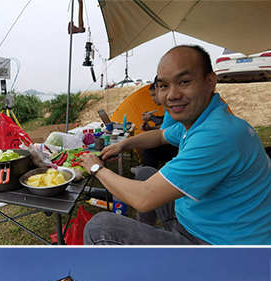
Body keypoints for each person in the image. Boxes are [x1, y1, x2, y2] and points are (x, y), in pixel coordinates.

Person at [79, 45, 271, 245]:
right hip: (198, 221)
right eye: (163, 86)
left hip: (219, 244)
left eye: (184, 82)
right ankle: (148, 238)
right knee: (145, 173)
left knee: (100, 228)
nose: (171, 95)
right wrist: (123, 144)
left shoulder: (217, 135)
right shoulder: (205, 120)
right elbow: (161, 136)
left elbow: (143, 199)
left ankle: (150, 246)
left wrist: (96, 168)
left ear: (210, 81)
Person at [135, 79, 179, 173]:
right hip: (178, 142)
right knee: (148, 138)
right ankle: (147, 168)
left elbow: (162, 132)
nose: (153, 98)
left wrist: (151, 118)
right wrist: (150, 128)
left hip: (178, 146)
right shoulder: (169, 107)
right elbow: (165, 126)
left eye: (154, 94)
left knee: (147, 144)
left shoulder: (171, 106)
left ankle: (148, 173)